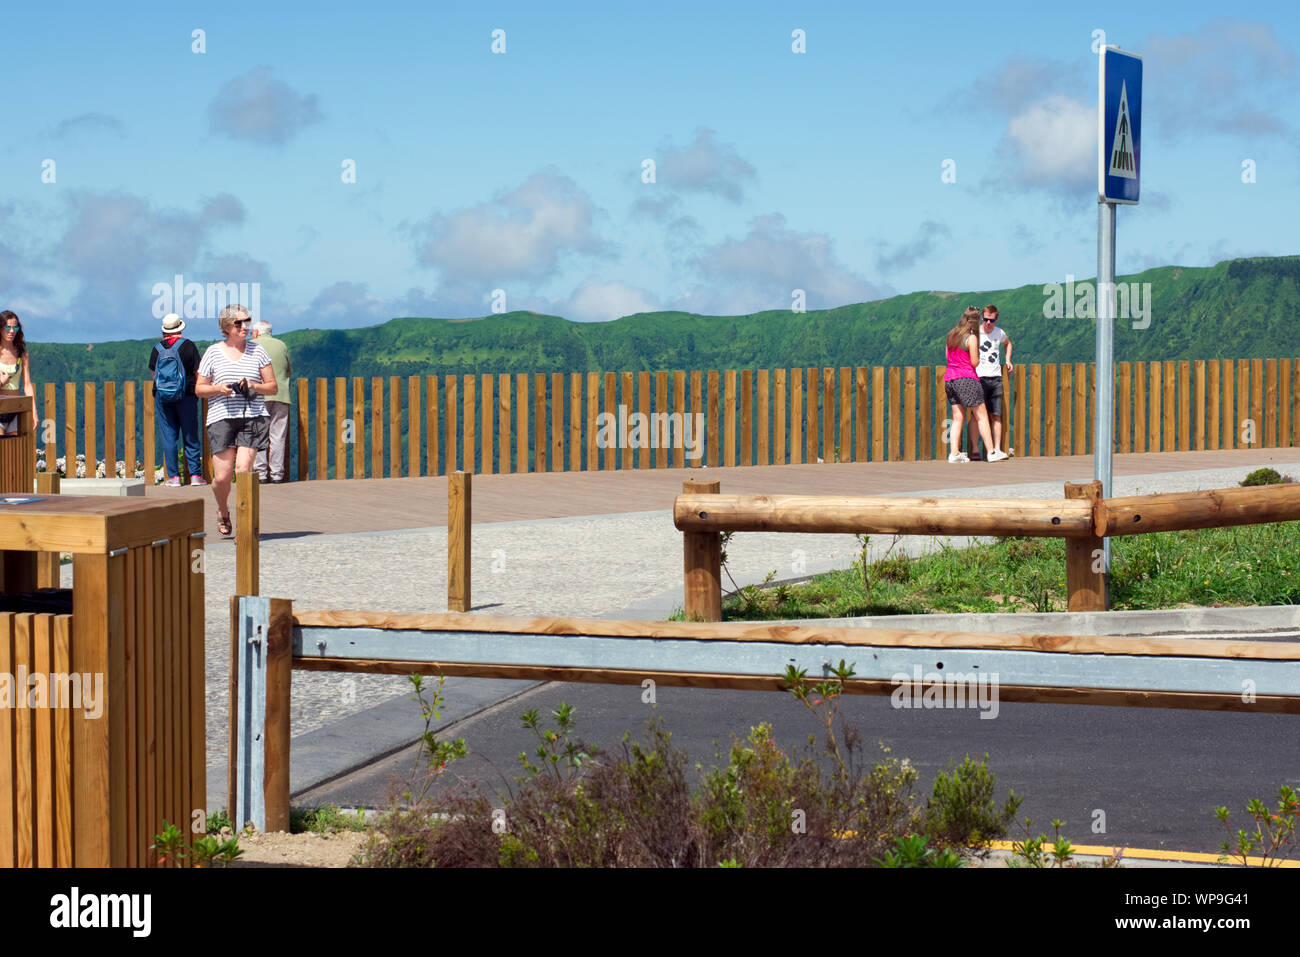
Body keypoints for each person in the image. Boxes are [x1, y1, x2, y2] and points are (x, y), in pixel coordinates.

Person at [195, 304, 276, 536]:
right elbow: (199, 389)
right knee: (221, 477)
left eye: (247, 321)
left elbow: (272, 387)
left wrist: (253, 385)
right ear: (226, 327)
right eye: (238, 323)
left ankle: (244, 521)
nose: (244, 327)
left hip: (252, 416)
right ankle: (222, 510)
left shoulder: (258, 351)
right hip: (222, 416)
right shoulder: (212, 352)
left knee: (243, 470)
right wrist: (219, 389)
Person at [150, 313, 206, 486]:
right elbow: (198, 371)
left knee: (169, 436)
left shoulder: (157, 348)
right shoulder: (188, 346)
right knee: (190, 435)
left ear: (165, 330)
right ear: (180, 327)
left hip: (163, 397)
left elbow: (154, 374)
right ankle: (195, 476)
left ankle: (174, 477)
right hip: (186, 395)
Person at [945, 306, 1006, 463]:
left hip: (950, 379)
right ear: (975, 320)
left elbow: (948, 356)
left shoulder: (951, 335)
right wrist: (977, 358)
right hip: (967, 379)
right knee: (982, 416)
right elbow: (974, 362)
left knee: (958, 417)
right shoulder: (971, 337)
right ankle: (992, 452)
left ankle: (954, 453)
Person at [966, 304, 1013, 460]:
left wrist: (1007, 360)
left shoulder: (999, 333)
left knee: (996, 416)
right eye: (985, 319)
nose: (987, 323)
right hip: (978, 378)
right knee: (975, 417)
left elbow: (1008, 343)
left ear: (996, 319)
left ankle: (997, 449)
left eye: (991, 320)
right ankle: (974, 450)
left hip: (995, 377)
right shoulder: (974, 333)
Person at [250, 320, 291, 483]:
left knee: (258, 434)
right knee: (278, 435)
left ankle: (260, 474)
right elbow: (288, 370)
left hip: (259, 394)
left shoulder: (251, 346)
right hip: (281, 394)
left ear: (257, 333)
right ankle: (277, 474)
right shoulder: (282, 345)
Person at [0, 310, 37, 436]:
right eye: (7, 327)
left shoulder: (22, 354)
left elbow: (27, 385)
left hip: (16, 409)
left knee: (14, 452)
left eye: (15, 327)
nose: (12, 331)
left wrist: (34, 411)